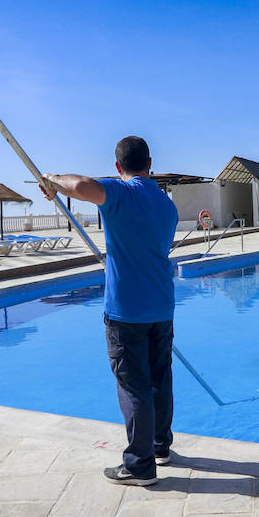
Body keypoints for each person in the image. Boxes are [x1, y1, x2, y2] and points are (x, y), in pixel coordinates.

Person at [40, 136, 180, 486]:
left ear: (118, 168)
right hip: (162, 305)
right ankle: (160, 447)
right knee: (160, 379)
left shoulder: (122, 193)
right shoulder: (167, 205)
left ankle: (139, 465)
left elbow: (83, 186)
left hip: (127, 310)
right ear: (151, 163)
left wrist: (52, 179)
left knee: (134, 386)